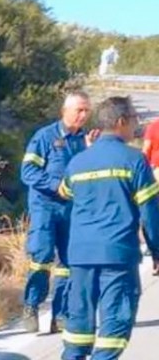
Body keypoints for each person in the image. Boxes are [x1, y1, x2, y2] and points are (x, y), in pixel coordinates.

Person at [57, 96, 159, 360]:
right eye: (135, 119)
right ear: (121, 121)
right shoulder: (135, 161)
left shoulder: (78, 162)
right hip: (117, 256)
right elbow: (151, 215)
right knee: (114, 328)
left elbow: (65, 192)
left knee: (77, 332)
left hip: (79, 257)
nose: (137, 125)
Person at [19, 91, 97, 334]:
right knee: (41, 257)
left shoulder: (86, 140)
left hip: (72, 210)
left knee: (68, 262)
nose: (83, 115)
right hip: (45, 207)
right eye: (79, 110)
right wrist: (56, 186)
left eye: (86, 111)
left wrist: (92, 152)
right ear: (65, 111)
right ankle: (31, 306)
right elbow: (28, 172)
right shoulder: (44, 137)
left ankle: (60, 315)